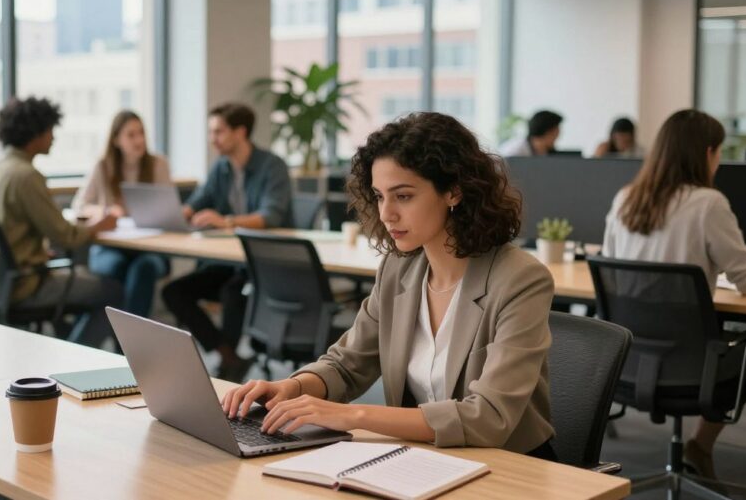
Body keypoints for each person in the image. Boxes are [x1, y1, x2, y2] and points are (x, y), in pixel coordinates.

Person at [222, 112, 557, 457]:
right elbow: (347, 364)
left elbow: (489, 417)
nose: (386, 214)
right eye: (380, 196)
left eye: (404, 196)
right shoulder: (400, 268)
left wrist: (354, 415)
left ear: (454, 191)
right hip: (426, 458)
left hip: (509, 466)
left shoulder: (519, 279)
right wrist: (291, 387)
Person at [602, 108, 746, 479]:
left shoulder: (625, 199)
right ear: (707, 154)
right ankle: (700, 446)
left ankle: (698, 449)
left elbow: (609, 268)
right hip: (693, 367)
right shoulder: (708, 203)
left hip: (630, 361)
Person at [0, 96, 121, 347]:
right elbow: (66, 236)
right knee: (113, 292)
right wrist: (99, 225)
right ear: (36, 134)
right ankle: (78, 359)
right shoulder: (27, 177)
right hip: (25, 285)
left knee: (81, 289)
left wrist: (37, 251)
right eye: (51, 130)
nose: (53, 137)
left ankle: (64, 348)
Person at [161, 102, 293, 382]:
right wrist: (173, 215)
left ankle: (229, 368)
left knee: (234, 292)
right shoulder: (221, 167)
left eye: (218, 132)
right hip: (230, 260)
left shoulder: (273, 166)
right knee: (174, 291)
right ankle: (227, 355)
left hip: (262, 263)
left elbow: (271, 216)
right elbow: (198, 201)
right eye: (211, 132)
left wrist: (227, 221)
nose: (212, 139)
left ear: (240, 132)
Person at [73, 110, 171, 318]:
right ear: (116, 140)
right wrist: (106, 211)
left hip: (149, 248)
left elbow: (168, 210)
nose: (139, 140)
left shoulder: (158, 165)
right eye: (131, 134)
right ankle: (123, 338)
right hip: (110, 248)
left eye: (141, 133)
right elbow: (80, 205)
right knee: (117, 267)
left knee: (143, 268)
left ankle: (128, 343)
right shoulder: (102, 166)